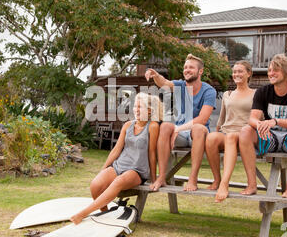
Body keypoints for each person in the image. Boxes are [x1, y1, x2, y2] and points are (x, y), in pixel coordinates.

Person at [70, 93, 161, 225]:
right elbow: (116, 150)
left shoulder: (152, 126)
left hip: (137, 170)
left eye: (140, 107)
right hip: (120, 165)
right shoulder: (127, 125)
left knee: (118, 182)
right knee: (95, 185)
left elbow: (152, 153)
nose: (136, 109)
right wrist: (104, 169)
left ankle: (82, 214)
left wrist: (153, 178)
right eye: (135, 106)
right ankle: (105, 214)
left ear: (148, 110)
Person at [239, 54, 287, 199]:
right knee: (246, 130)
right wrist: (260, 124)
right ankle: (252, 184)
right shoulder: (263, 91)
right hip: (269, 137)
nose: (271, 73)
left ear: (286, 72)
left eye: (275, 70)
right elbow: (252, 118)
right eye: (270, 70)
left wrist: (275, 121)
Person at [145, 54, 217, 192]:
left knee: (198, 128)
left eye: (191, 67)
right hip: (181, 134)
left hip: (200, 134)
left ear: (200, 71)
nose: (187, 70)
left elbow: (202, 119)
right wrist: (156, 75)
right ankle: (162, 177)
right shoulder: (180, 85)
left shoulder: (209, 91)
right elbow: (164, 83)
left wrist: (178, 128)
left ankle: (193, 179)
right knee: (165, 125)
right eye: (185, 67)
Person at [204, 60, 255, 202]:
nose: (236, 74)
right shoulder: (228, 94)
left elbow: (259, 116)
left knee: (231, 137)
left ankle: (224, 184)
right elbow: (222, 117)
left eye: (240, 71)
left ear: (248, 73)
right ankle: (217, 179)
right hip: (228, 132)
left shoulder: (255, 94)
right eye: (234, 72)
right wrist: (218, 129)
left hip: (245, 133)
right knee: (211, 138)